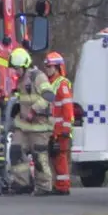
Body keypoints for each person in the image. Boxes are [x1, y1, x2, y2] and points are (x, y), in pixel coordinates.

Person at [9, 47, 57, 195]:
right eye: (14, 69)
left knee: (39, 156)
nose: (15, 72)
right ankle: (22, 183)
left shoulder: (38, 77)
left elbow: (49, 96)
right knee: (16, 150)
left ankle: (44, 186)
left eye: (17, 69)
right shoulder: (20, 81)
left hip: (40, 126)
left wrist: (34, 110)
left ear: (25, 66)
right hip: (24, 126)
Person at [44, 51, 74, 195]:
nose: (47, 69)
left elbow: (67, 108)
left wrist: (65, 129)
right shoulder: (51, 83)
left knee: (60, 156)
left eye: (50, 67)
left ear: (57, 68)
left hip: (61, 129)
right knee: (55, 157)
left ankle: (63, 186)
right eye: (47, 67)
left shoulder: (62, 84)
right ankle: (59, 184)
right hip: (53, 128)